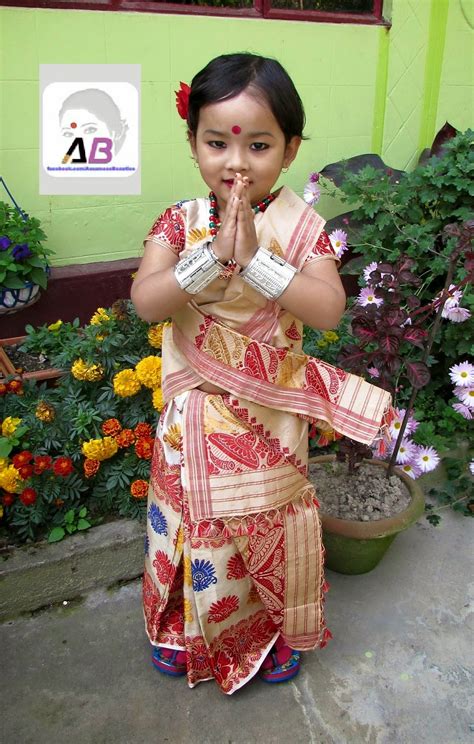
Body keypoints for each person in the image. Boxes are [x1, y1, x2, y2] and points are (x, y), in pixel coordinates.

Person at [131, 53, 392, 695]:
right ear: (193, 143)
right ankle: (176, 627)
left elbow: (328, 310)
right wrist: (212, 257)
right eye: (217, 142)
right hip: (193, 410)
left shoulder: (305, 229)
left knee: (264, 529)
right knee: (190, 525)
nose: (236, 163)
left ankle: (270, 630)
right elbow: (145, 300)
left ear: (291, 147)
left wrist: (256, 262)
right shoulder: (178, 221)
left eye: (260, 144)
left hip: (269, 418)